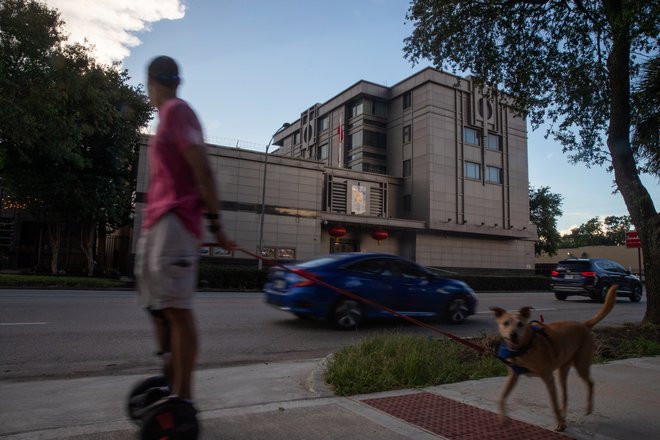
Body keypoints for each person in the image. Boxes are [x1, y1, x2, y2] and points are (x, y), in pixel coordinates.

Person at [135, 55, 237, 402]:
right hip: (157, 225)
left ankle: (184, 402)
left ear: (152, 83)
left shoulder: (178, 112)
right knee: (157, 306)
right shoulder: (165, 118)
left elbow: (203, 170)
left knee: (177, 310)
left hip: (176, 224)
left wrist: (216, 225)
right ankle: (169, 378)